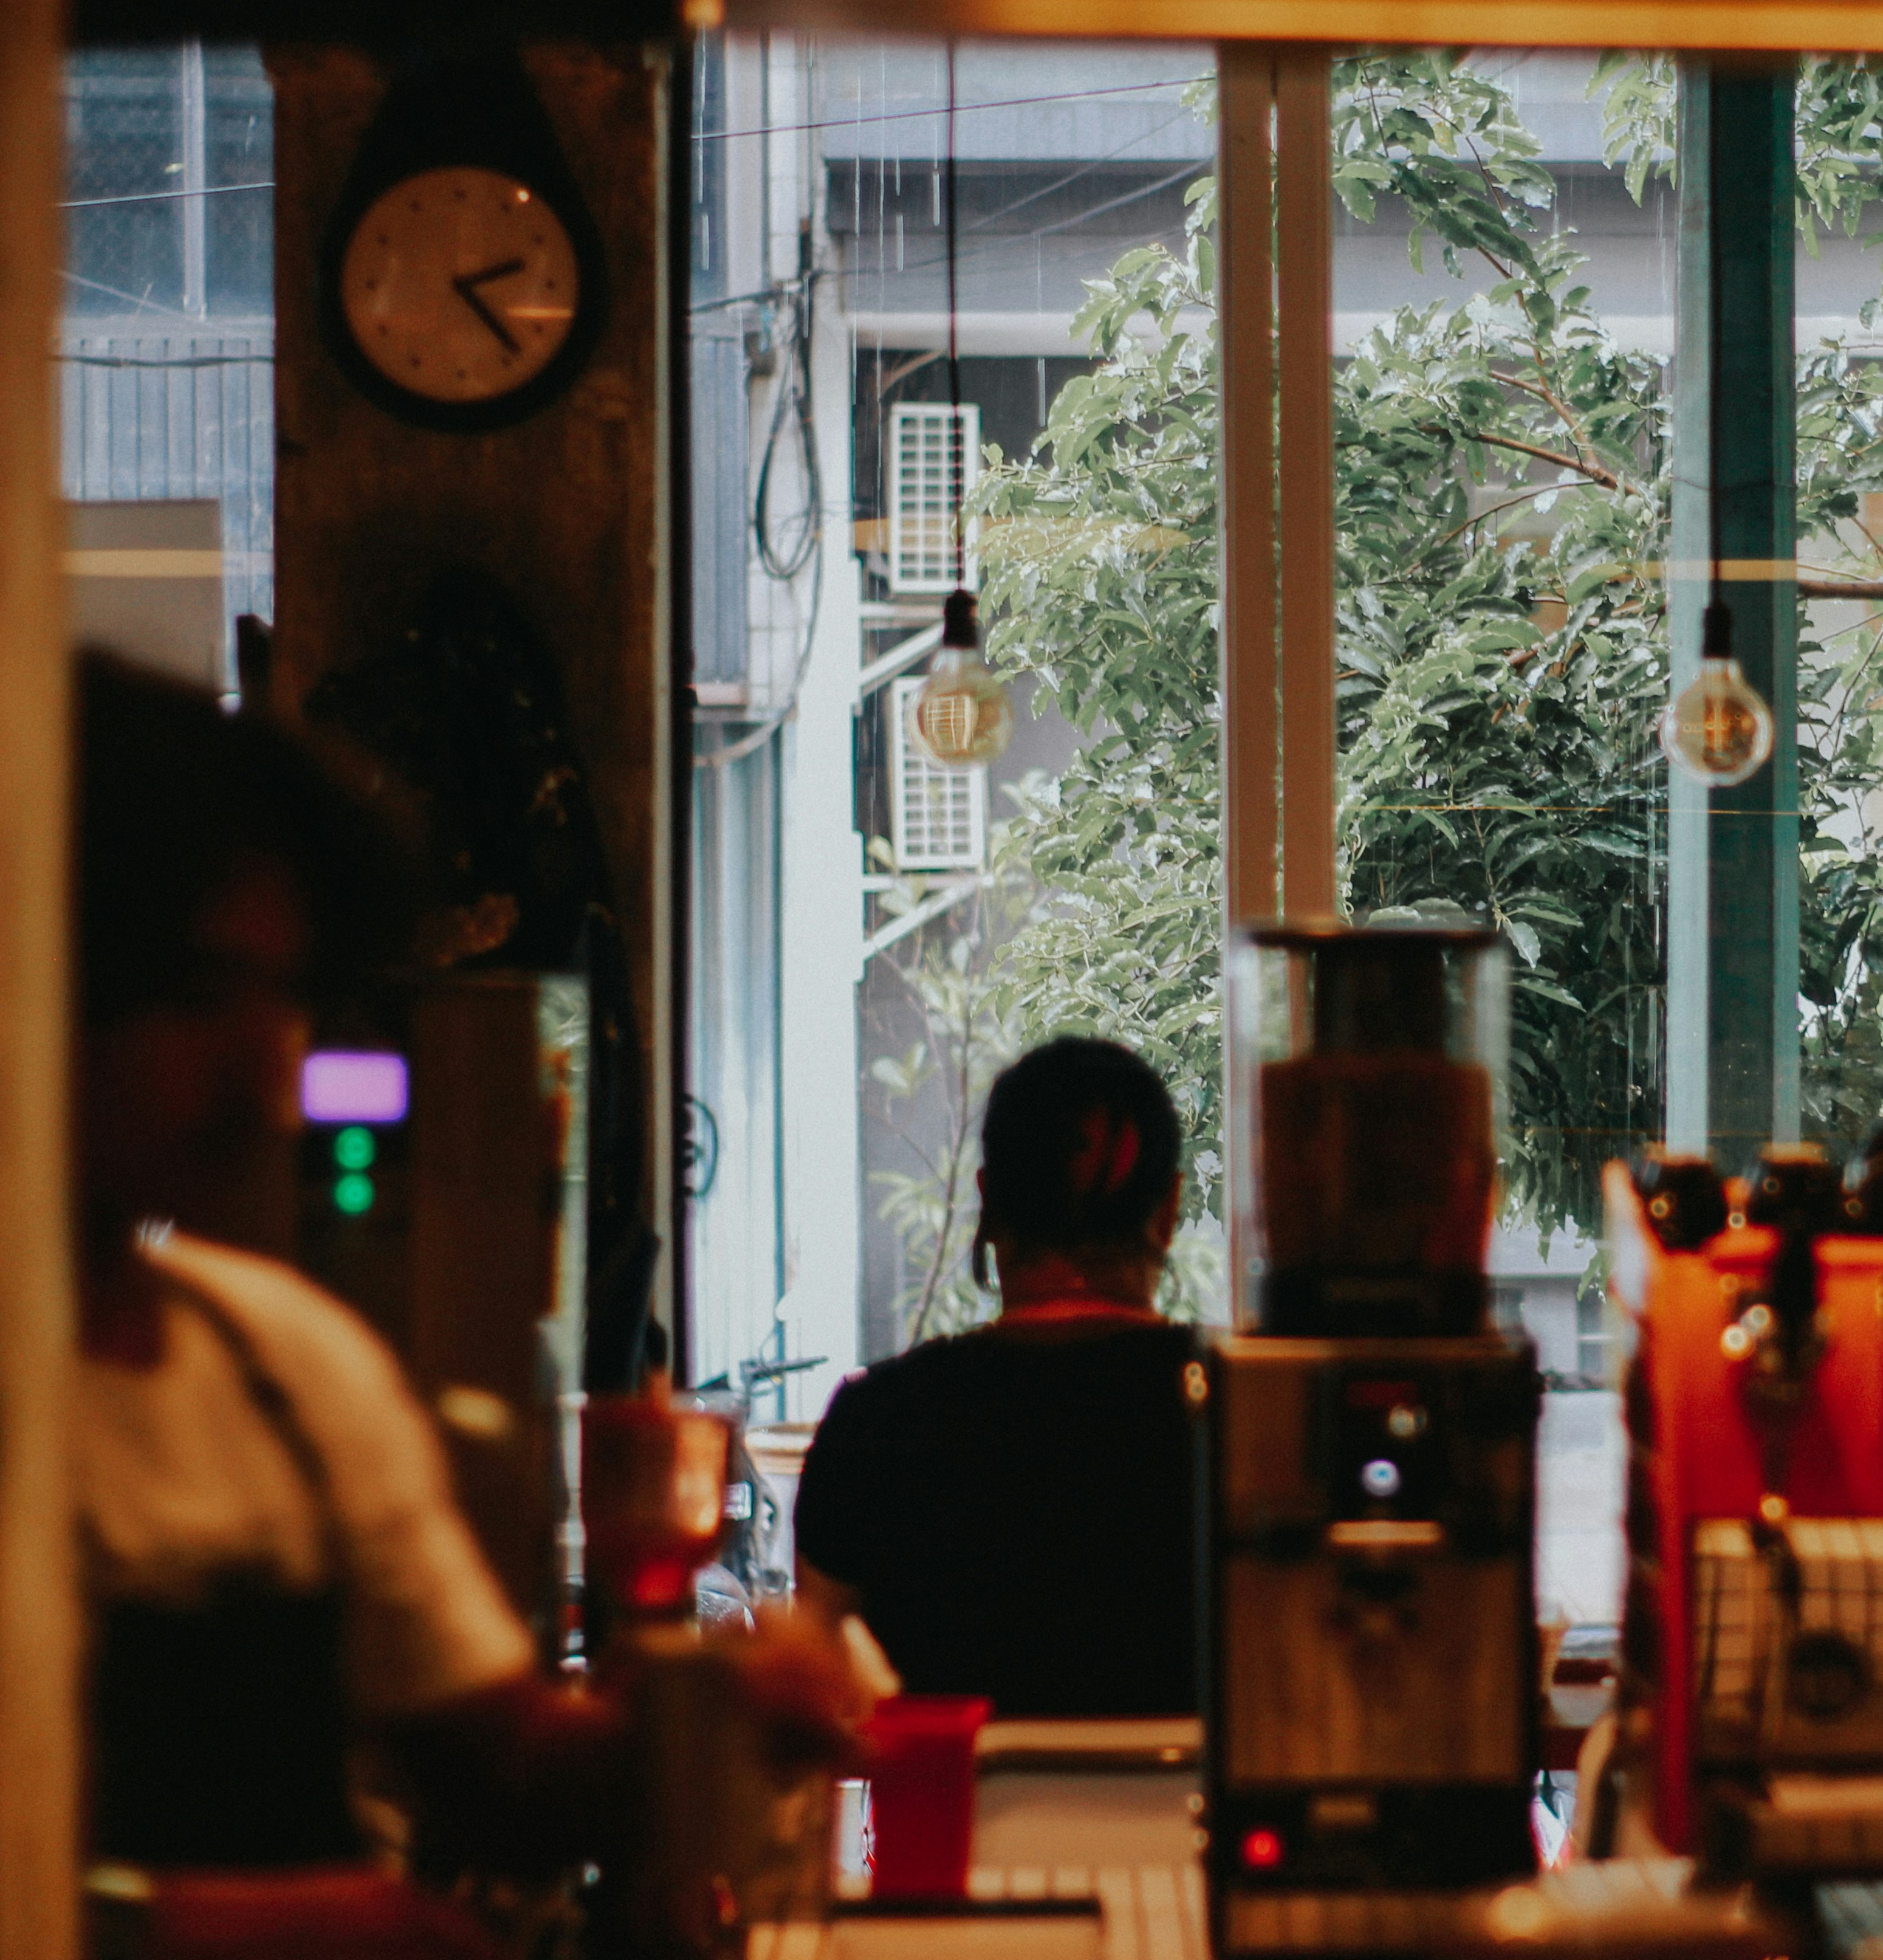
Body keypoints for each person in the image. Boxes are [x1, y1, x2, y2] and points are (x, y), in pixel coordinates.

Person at [67, 654, 862, 1894]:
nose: (263, 1076)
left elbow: (506, 1771)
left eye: (283, 1001)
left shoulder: (283, 1369)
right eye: (202, 993)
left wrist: (713, 1705)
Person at [795, 1039, 1200, 1716]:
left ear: (987, 1203)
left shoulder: (878, 1423)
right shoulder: (1248, 1411)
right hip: (1202, 1824)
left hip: (948, 1823)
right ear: (1169, 1210)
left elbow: (820, 1704)